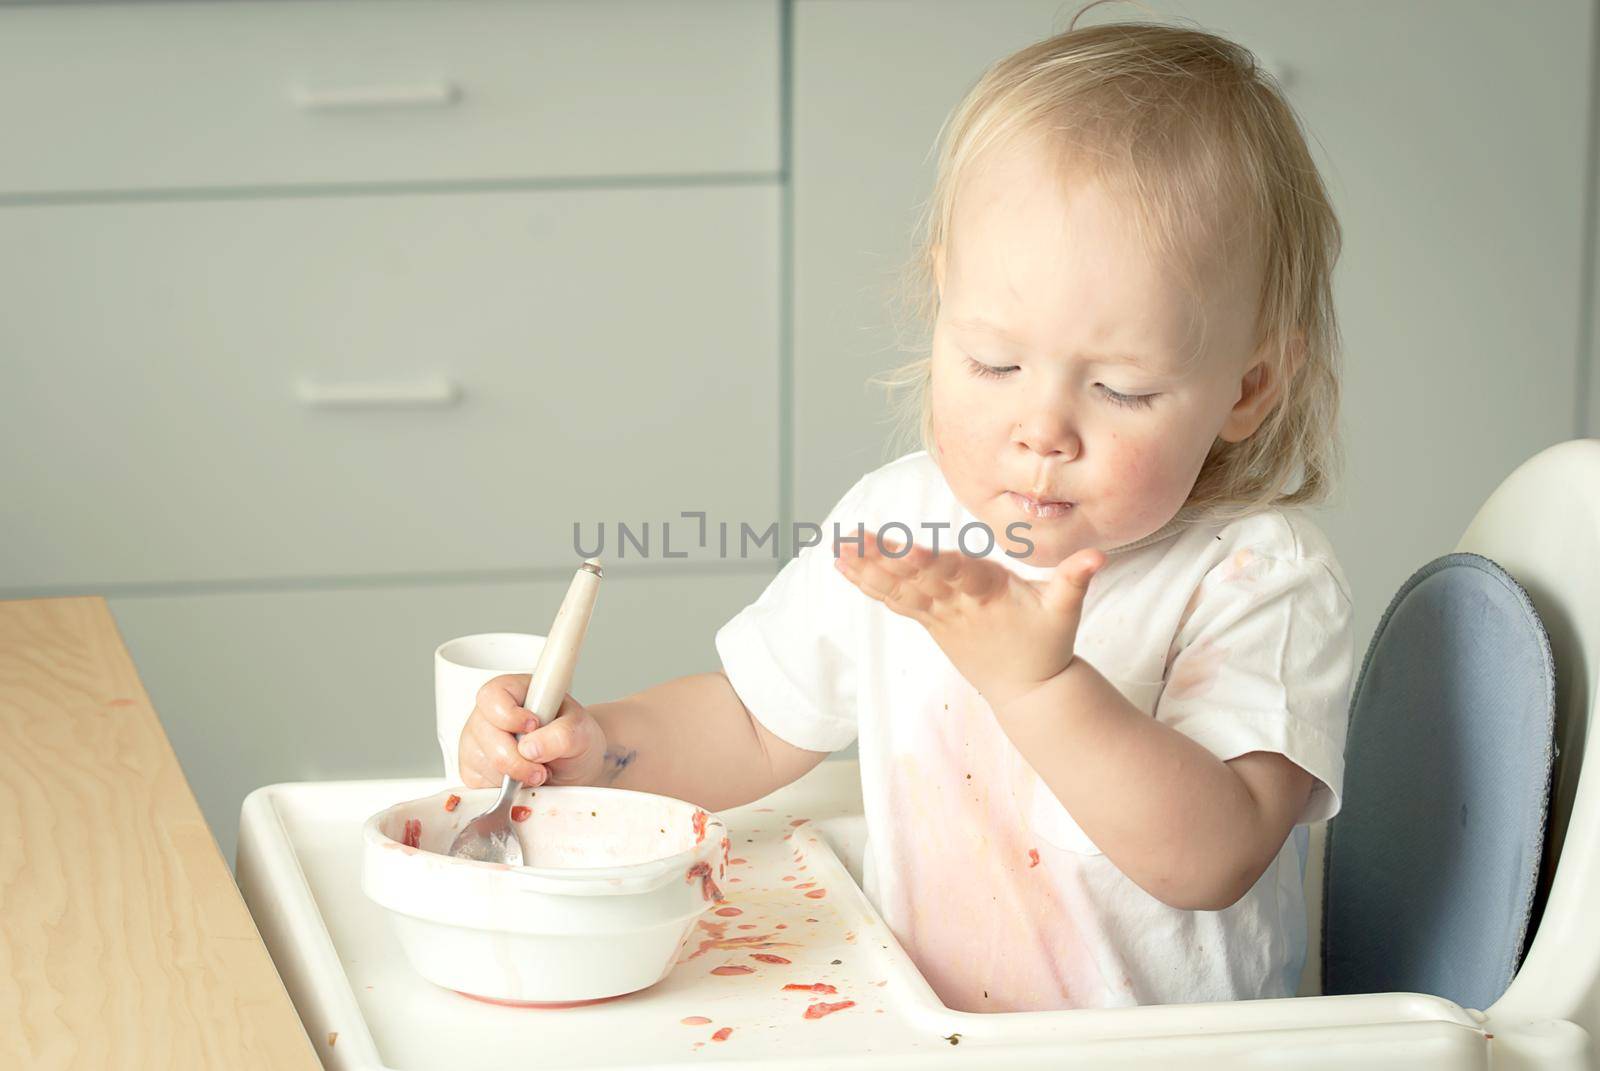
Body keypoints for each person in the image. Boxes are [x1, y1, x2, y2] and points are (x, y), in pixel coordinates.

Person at [449, 9, 1353, 1013]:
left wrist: (1040, 683)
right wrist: (597, 747)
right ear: (940, 316)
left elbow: (1214, 856)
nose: (1040, 429)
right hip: (918, 1028)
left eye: (1122, 389)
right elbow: (755, 719)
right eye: (994, 363)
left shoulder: (1254, 576)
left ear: (1246, 387)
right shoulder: (902, 522)